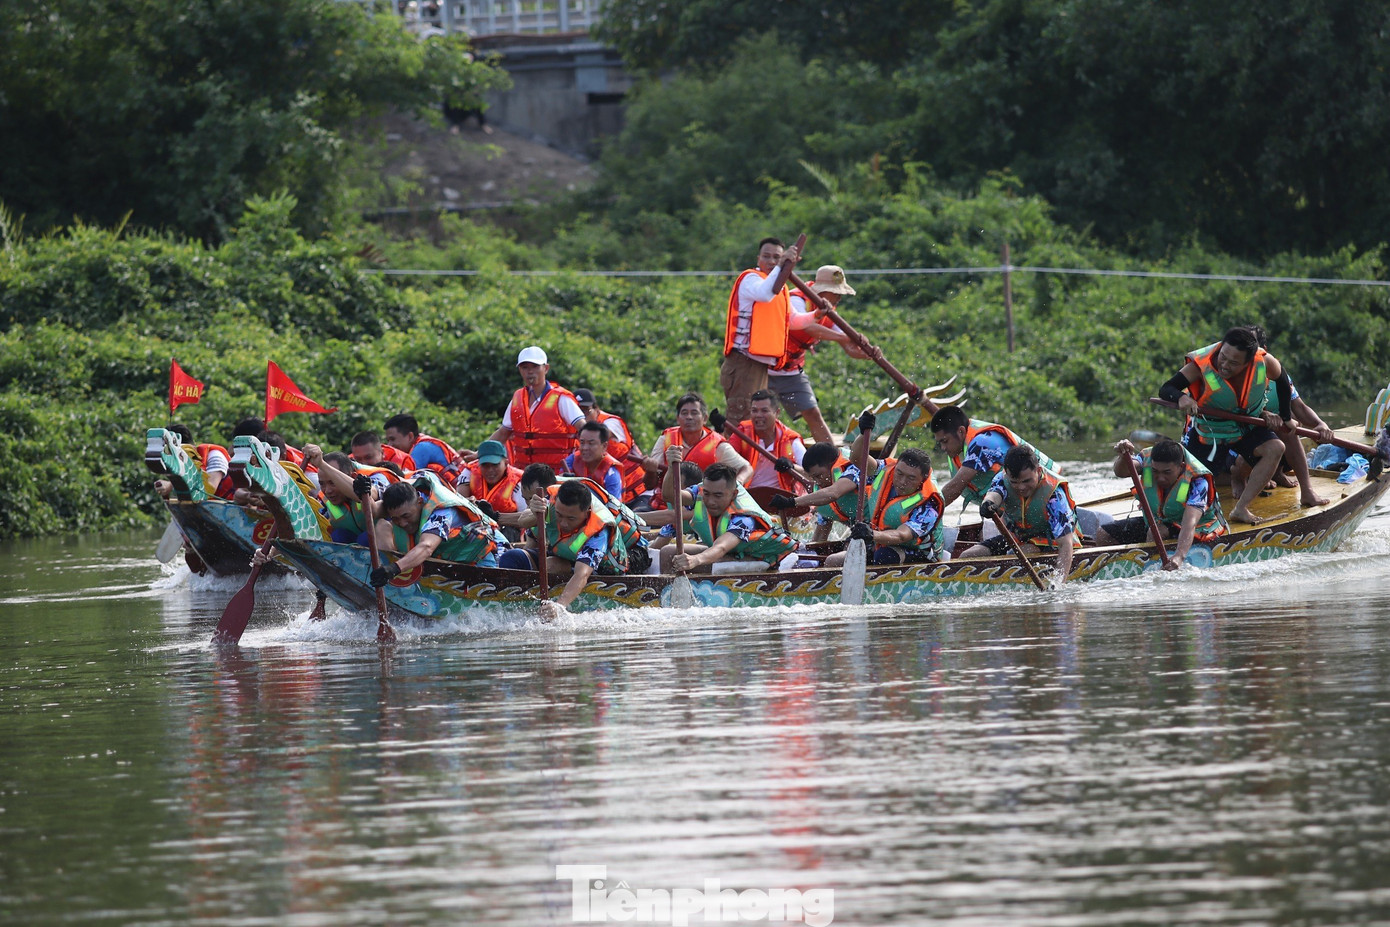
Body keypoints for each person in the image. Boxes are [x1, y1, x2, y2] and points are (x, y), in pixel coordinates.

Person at [1158, 325, 1294, 524]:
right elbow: (1166, 388)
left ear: (1248, 362)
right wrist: (1181, 398)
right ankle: (1170, 518)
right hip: (1211, 431)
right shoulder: (1201, 363)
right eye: (1223, 357)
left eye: (1233, 363)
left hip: (1246, 427)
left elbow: (1282, 381)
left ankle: (1241, 509)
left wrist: (1285, 416)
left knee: (1276, 448)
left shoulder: (1264, 361)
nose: (1224, 365)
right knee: (1190, 480)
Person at [1227, 326, 1334, 507]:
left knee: (1289, 424)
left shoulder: (1275, 372)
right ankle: (1238, 476)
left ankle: (1304, 490)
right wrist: (1263, 413)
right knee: (1272, 434)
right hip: (1234, 443)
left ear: (1263, 351)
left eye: (1250, 347)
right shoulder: (1228, 371)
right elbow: (1233, 412)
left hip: (1269, 440)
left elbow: (1298, 406)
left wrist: (1320, 424)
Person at [500, 479, 635, 621]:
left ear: (587, 511)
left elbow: (581, 574)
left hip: (601, 570)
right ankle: (512, 604)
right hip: (566, 557)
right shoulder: (553, 500)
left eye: (571, 518)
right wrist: (535, 512)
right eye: (559, 515)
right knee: (512, 557)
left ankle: (542, 606)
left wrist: (559, 606)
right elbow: (523, 521)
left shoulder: (599, 530)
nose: (563, 523)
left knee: (551, 565)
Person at [769, 264, 871, 445]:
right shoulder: (796, 299)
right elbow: (807, 326)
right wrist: (845, 338)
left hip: (791, 370)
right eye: (836, 292)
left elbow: (847, 345)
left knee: (813, 413)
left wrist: (865, 351)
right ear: (822, 290)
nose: (839, 297)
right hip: (765, 367)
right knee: (756, 414)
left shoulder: (830, 310)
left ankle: (832, 462)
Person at [1096, 438, 1228, 570]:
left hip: (1198, 527)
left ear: (1181, 467)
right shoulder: (1146, 458)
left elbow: (1190, 523)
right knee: (1104, 534)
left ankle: (1147, 570)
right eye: (1155, 471)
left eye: (1167, 472)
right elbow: (1121, 471)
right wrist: (1123, 456)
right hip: (1158, 520)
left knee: (1156, 532)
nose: (1160, 478)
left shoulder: (1198, 481)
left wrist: (1179, 556)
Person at [959, 445, 1080, 584]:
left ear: (1038, 470)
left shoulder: (1055, 496)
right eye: (1014, 482)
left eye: (1026, 481)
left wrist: (1059, 583)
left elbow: (1065, 544)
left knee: (1013, 556)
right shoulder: (1003, 478)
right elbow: (994, 495)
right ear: (1007, 473)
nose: (1021, 487)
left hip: (1050, 541)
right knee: (967, 556)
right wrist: (988, 503)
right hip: (1016, 538)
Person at [660, 456, 798, 573]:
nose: (710, 501)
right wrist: (672, 468)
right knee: (667, 552)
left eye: (718, 495)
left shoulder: (744, 518)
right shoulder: (701, 489)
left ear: (734, 494)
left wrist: (695, 560)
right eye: (706, 494)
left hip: (758, 558)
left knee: (709, 562)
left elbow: (721, 547)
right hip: (729, 553)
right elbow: (669, 496)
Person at [719, 236, 800, 427]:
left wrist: (818, 314)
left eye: (777, 257)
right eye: (767, 257)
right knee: (741, 420)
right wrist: (782, 265)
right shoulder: (751, 279)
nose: (771, 262)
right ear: (758, 259)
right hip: (743, 363)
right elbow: (764, 293)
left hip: (760, 365)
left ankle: (750, 456)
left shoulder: (778, 287)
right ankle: (731, 457)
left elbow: (795, 320)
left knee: (755, 421)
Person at [512, 464, 651, 573]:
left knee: (553, 566)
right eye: (527, 499)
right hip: (582, 553)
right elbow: (529, 531)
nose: (530, 504)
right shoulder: (552, 503)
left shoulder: (580, 499)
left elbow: (582, 573)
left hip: (627, 553)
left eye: (533, 499)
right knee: (517, 557)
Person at [370, 477, 505, 587]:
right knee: (381, 525)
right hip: (452, 565)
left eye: (406, 516)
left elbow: (427, 547)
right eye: (396, 519)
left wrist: (393, 569)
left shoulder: (441, 512)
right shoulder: (404, 512)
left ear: (420, 502)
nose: (402, 523)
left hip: (486, 558)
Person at [929, 406, 1061, 514]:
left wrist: (922, 515)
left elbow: (956, 486)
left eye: (945, 441)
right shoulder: (964, 439)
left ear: (961, 431)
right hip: (1021, 499)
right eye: (940, 443)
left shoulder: (982, 442)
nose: (943, 448)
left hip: (1050, 497)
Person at [487, 346, 585, 470]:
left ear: (546, 368)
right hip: (525, 475)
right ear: (519, 370)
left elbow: (583, 428)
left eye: (535, 366)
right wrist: (480, 453)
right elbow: (503, 433)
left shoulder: (561, 398)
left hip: (557, 475)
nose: (530, 371)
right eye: (525, 367)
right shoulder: (517, 398)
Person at [641, 393, 753, 496]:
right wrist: (650, 471)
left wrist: (737, 483)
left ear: (704, 419)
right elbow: (650, 485)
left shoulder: (717, 445)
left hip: (702, 503)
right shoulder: (666, 439)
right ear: (678, 418)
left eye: (694, 413)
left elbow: (747, 468)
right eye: (684, 413)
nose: (689, 417)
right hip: (666, 502)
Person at [301, 444, 400, 544]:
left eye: (333, 482)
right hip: (352, 549)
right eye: (322, 484)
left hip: (383, 541)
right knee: (338, 536)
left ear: (352, 476)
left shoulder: (377, 477)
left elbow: (369, 493)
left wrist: (321, 464)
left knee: (365, 538)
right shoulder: (323, 500)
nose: (327, 491)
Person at [768, 441, 859, 543]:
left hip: (878, 531)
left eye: (819, 476)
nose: (817, 482)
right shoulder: (822, 495)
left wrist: (791, 502)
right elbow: (819, 539)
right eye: (813, 478)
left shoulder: (853, 467)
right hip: (863, 532)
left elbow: (833, 493)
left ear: (831, 464)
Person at [729, 390, 808, 495]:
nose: (758, 415)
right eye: (754, 411)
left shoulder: (790, 439)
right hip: (746, 496)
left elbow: (810, 473)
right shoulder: (741, 433)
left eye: (764, 411)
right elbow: (724, 464)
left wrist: (792, 467)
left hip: (781, 499)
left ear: (777, 413)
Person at [575, 388, 645, 503]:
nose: (582, 417)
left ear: (596, 410)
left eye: (586, 411)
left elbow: (602, 434)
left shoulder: (612, 422)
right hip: (608, 493)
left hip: (637, 490)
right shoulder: (575, 431)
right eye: (577, 413)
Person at [154, 424, 235, 500]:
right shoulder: (178, 466)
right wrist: (166, 489)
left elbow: (208, 490)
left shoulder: (215, 456)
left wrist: (171, 485)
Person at [457, 439, 527, 526]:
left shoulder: (518, 481)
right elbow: (459, 503)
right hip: (475, 525)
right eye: (485, 465)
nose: (490, 470)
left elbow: (526, 517)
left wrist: (495, 518)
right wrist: (467, 503)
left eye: (495, 465)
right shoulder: (469, 471)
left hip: (509, 528)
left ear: (506, 463)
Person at [383, 413, 462, 482]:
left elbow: (405, 479)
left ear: (410, 437)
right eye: (388, 440)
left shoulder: (422, 448)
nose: (389, 445)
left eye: (392, 439)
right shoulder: (422, 443)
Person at [563, 421, 626, 500]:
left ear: (604, 446)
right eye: (582, 443)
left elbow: (614, 508)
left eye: (591, 443)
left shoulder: (611, 473)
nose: (585, 448)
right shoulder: (572, 460)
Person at [350, 430, 415, 472]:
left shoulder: (403, 461)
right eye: (358, 459)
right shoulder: (348, 462)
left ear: (382, 453)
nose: (363, 463)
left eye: (368, 457)